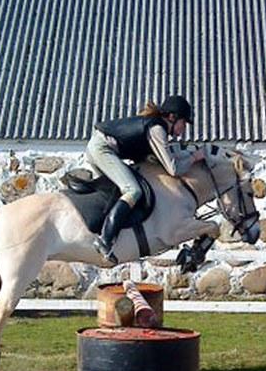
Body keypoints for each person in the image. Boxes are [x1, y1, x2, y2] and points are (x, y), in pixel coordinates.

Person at [86, 95, 205, 265]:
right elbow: (173, 169)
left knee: (118, 193)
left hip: (98, 147)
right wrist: (194, 157)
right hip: (102, 149)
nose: (184, 128)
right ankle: (105, 239)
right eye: (183, 123)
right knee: (133, 190)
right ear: (172, 117)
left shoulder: (156, 127)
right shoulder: (157, 129)